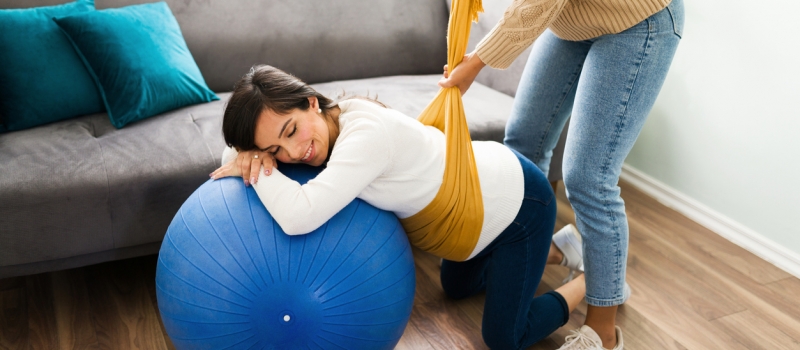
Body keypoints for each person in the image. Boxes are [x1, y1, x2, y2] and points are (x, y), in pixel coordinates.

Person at [211, 65, 586, 349]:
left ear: (311, 101)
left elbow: (298, 216)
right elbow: (232, 149)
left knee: (505, 338)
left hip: (520, 205)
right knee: (456, 287)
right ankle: (556, 251)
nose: (293, 153)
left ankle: (593, 279)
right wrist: (248, 154)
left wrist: (256, 167)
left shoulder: (366, 137)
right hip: (471, 212)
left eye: (291, 131)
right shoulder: (328, 123)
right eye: (273, 151)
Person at [438, 0, 685, 348]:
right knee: (522, 150)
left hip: (636, 19)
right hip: (571, 19)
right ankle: (559, 249)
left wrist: (476, 61)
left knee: (588, 179)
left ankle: (603, 332)